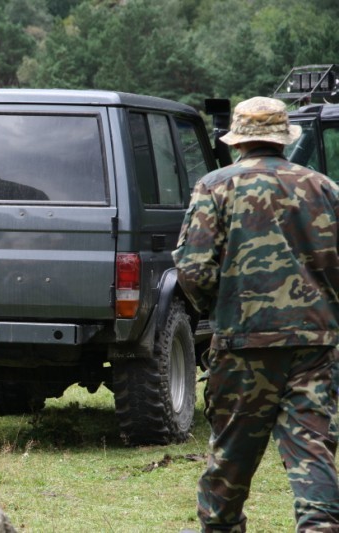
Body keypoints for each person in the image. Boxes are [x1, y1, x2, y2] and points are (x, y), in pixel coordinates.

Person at [173, 96, 339, 532]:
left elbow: (193, 269)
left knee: (231, 455)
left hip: (243, 342)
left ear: (237, 141)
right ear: (284, 139)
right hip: (315, 343)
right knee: (313, 448)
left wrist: (220, 309)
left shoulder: (215, 186)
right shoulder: (324, 187)